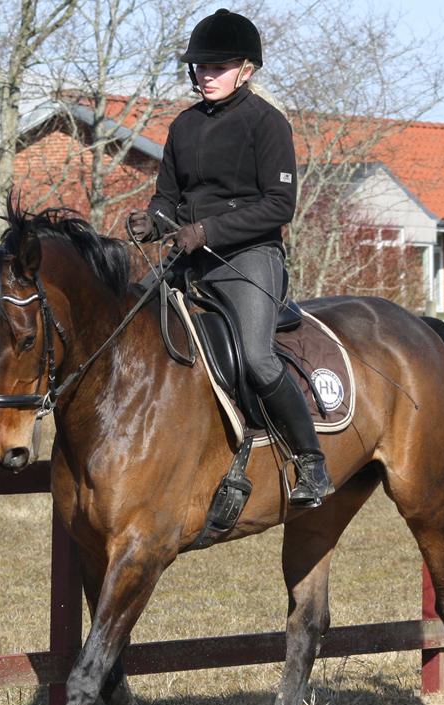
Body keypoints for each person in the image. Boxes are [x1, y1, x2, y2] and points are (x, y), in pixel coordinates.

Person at [127, 8, 332, 508]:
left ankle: (311, 461)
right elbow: (167, 197)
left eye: (218, 67)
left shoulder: (267, 123)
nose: (206, 75)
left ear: (247, 70)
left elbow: (279, 205)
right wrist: (153, 221)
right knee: (133, 327)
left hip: (249, 258)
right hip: (190, 255)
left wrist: (209, 230)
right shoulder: (183, 126)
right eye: (201, 67)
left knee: (259, 360)